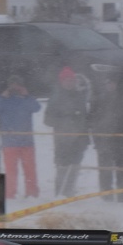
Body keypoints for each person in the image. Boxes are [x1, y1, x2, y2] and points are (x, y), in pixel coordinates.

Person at [43, 67, 90, 198]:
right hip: (62, 139)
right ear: (62, 81)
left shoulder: (80, 97)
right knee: (62, 166)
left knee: (75, 166)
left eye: (72, 80)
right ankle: (59, 193)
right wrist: (65, 119)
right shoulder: (56, 98)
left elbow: (84, 118)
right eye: (67, 80)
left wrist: (86, 138)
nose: (70, 83)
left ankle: (69, 191)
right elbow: (47, 120)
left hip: (78, 139)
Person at [0, 75, 41, 200]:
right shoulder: (4, 99)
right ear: (8, 86)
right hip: (9, 142)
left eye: (17, 85)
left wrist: (27, 96)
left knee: (30, 170)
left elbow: (37, 108)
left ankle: (32, 193)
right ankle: (9, 194)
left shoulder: (26, 99)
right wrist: (2, 97)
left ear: (22, 86)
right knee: (10, 171)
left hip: (27, 141)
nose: (15, 87)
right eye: (12, 85)